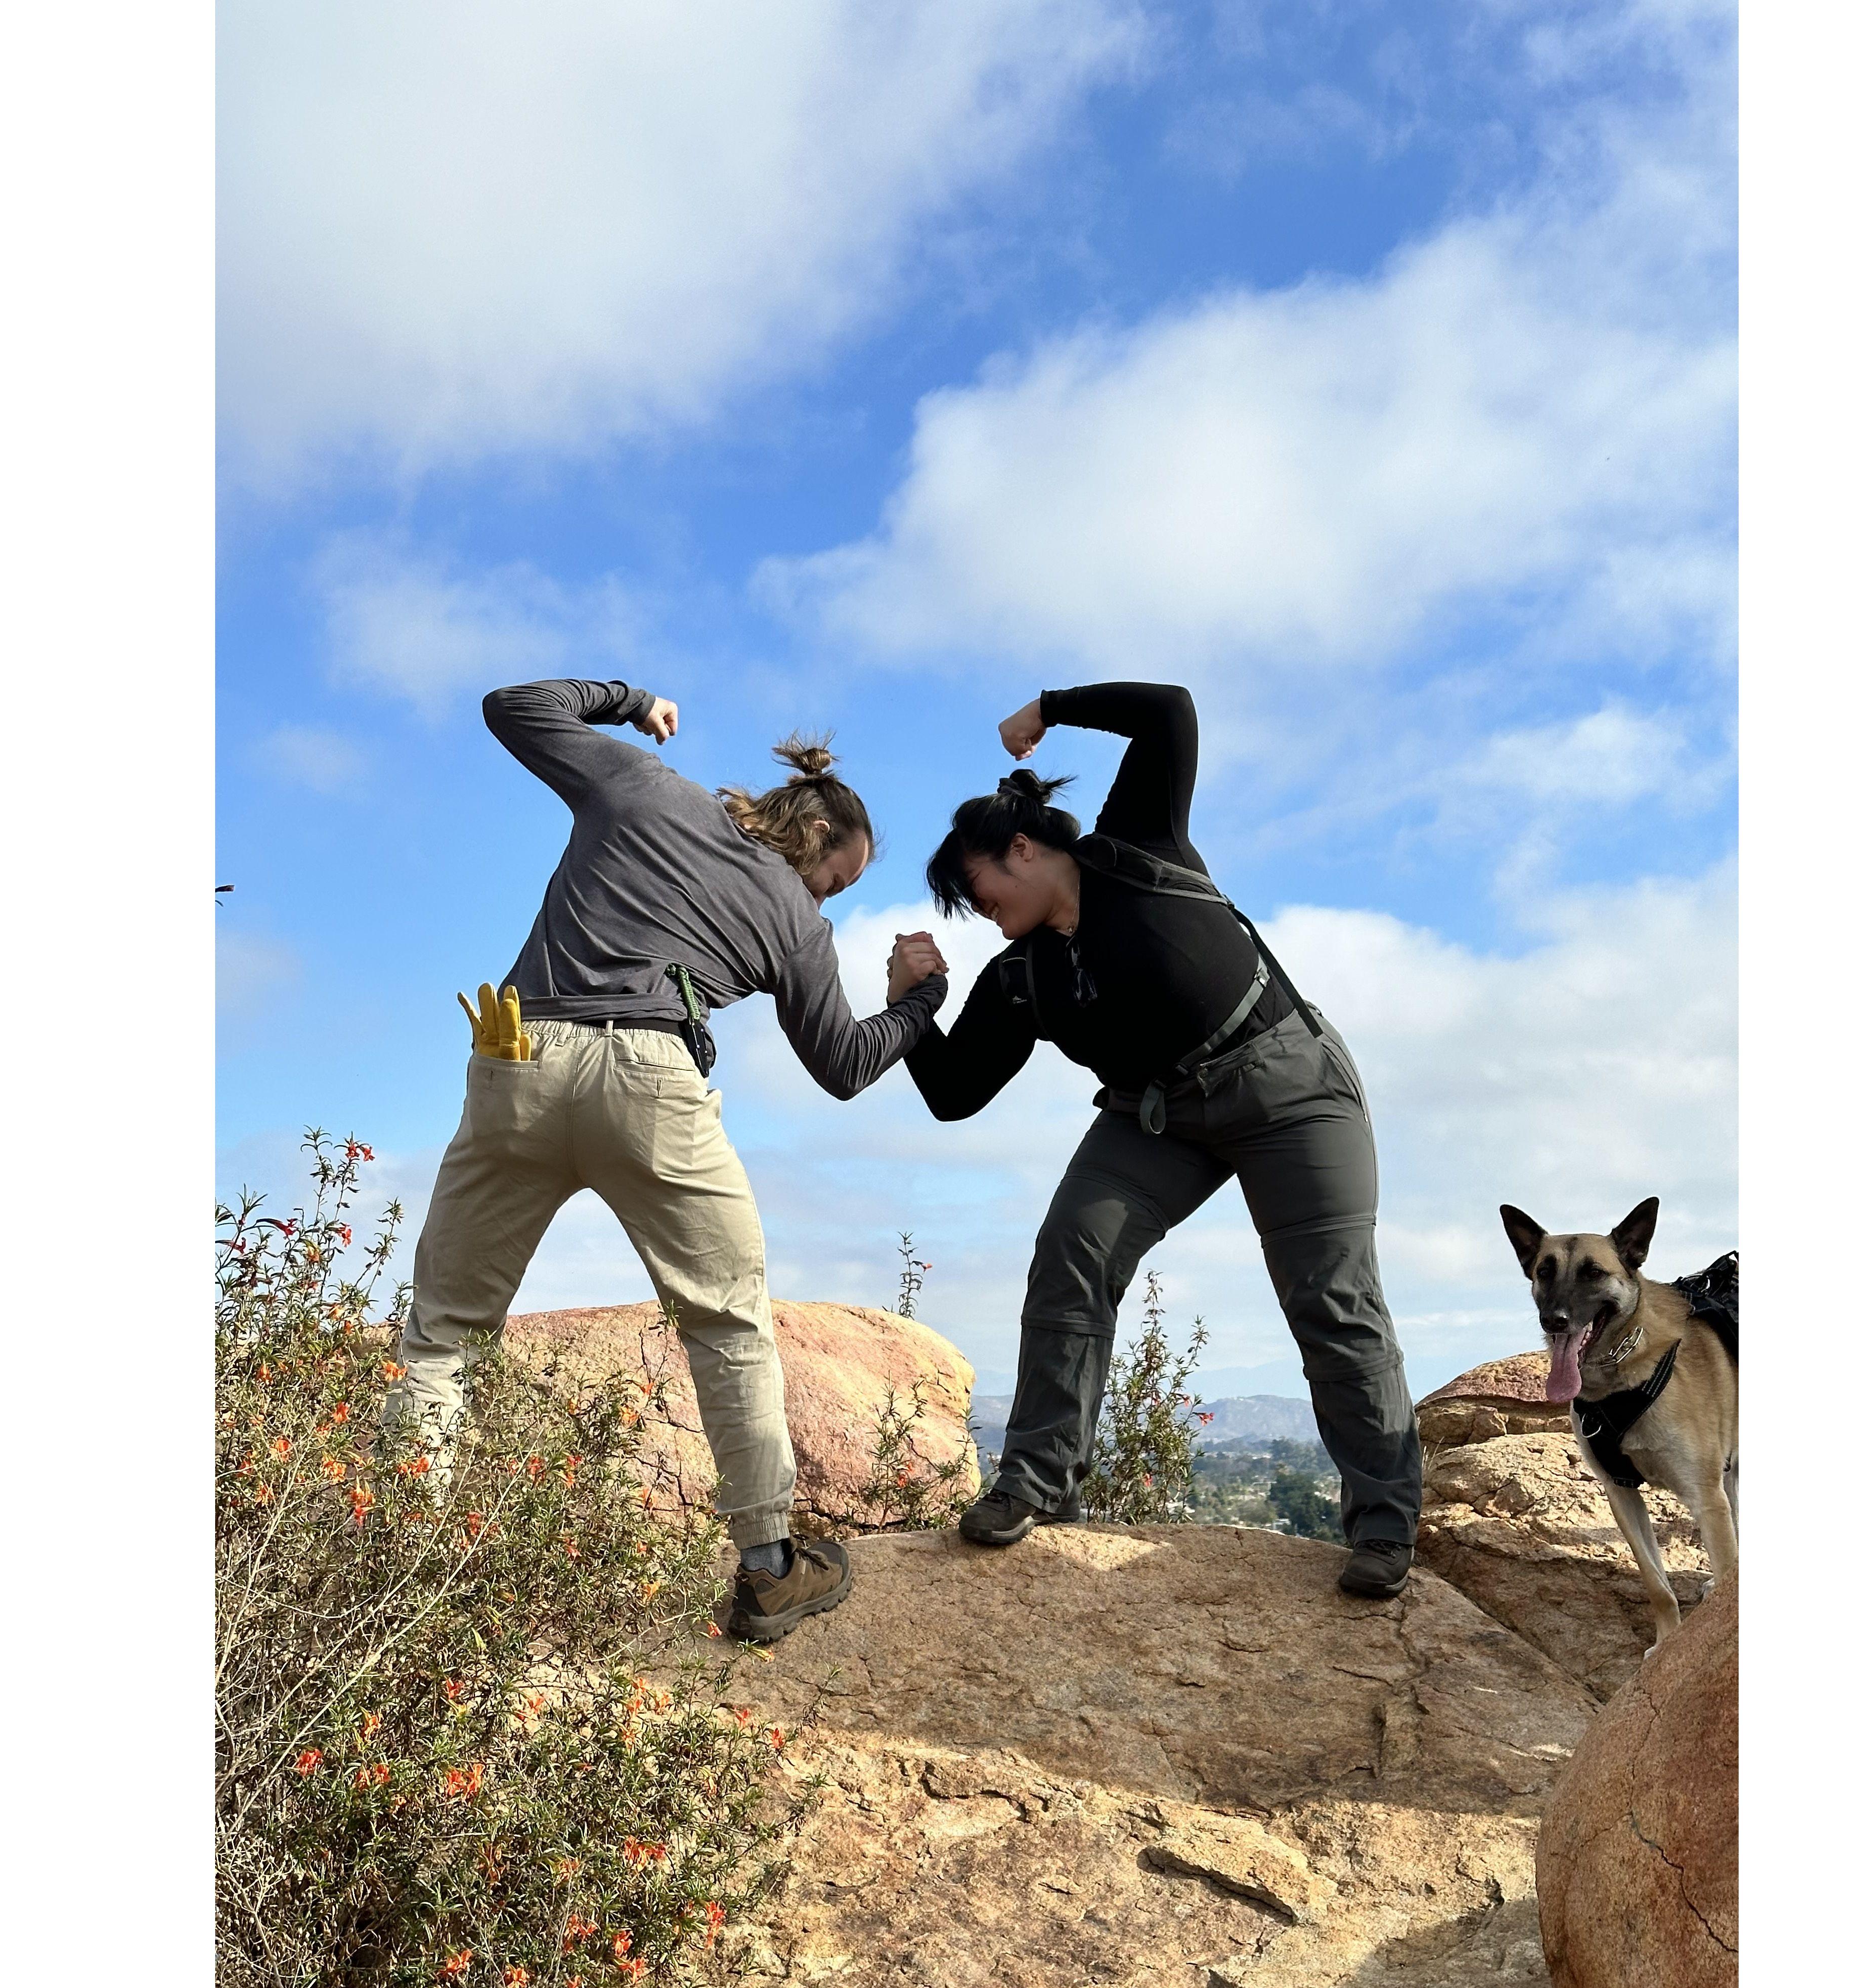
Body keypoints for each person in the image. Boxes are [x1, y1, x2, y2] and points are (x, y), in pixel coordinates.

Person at [384, 676, 949, 1639]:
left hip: (519, 1058)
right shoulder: (796, 918)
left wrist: (628, 700)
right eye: (837, 879)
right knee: (727, 1324)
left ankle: (388, 1572)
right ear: (817, 836)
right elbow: (846, 1067)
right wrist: (918, 1004)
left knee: (444, 1332)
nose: (827, 896)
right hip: (651, 1080)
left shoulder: (643, 785)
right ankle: (770, 1570)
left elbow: (511, 706)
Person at [908, 683, 1421, 1597]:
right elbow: (954, 1095)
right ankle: (1036, 1483)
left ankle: (1384, 1527)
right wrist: (915, 1005)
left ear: (1020, 848)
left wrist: (1049, 708)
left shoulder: (1136, 848)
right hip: (1159, 1118)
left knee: (1331, 1297)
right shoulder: (1023, 976)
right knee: (1073, 1246)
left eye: (974, 888)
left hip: (1289, 1087)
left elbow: (1171, 713)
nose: (974, 910)